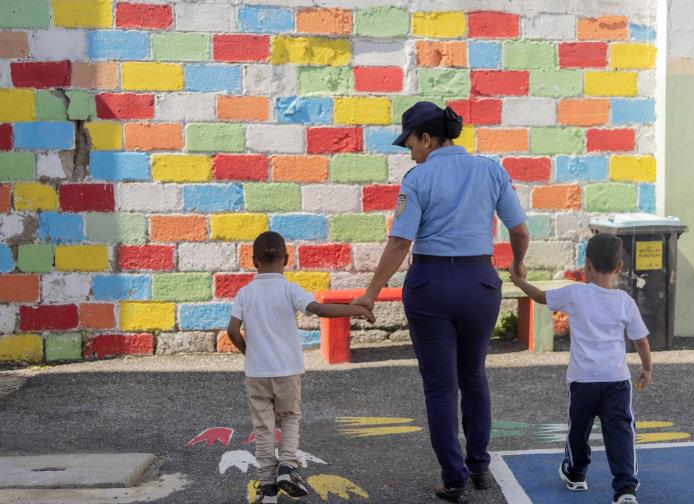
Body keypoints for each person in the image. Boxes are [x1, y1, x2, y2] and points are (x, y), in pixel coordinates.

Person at [351, 101, 530, 503]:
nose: (409, 151)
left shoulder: (418, 178)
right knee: (474, 375)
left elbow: (400, 241)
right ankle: (479, 467)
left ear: (428, 139)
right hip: (479, 283)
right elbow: (519, 231)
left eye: (410, 142)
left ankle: (454, 478)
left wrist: (371, 293)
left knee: (440, 387)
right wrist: (517, 269)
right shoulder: (490, 169)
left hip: (431, 284)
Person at [226, 231, 375, 504]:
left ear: (253, 261)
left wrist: (248, 352)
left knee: (263, 428)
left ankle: (268, 487)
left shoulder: (244, 293)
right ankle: (288, 467)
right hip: (286, 371)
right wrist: (355, 310)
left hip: (256, 373)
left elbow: (232, 331)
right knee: (290, 417)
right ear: (286, 258)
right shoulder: (289, 289)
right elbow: (319, 309)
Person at [510, 233, 652, 504]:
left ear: (586, 265)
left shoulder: (574, 294)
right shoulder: (625, 302)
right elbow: (640, 340)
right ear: (620, 267)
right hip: (616, 381)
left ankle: (576, 474)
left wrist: (519, 281)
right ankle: (625, 490)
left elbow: (540, 297)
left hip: (582, 381)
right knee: (620, 432)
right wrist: (646, 368)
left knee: (578, 429)